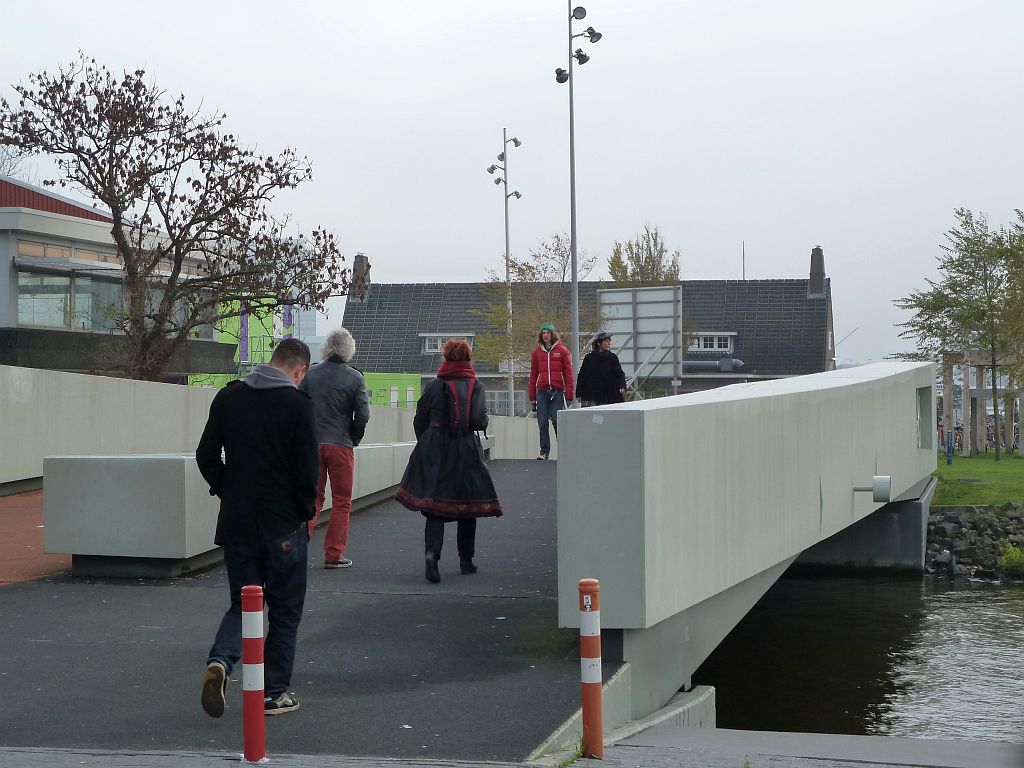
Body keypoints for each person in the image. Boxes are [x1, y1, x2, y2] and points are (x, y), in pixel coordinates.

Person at [196, 338, 319, 718]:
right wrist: (303, 512)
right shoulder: (299, 406)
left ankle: (220, 662)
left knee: (243, 603)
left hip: (237, 522)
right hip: (283, 524)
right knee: (284, 610)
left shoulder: (229, 398)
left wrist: (227, 489)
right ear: (300, 370)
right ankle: (273, 693)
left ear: (272, 360)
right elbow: (308, 471)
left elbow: (205, 454)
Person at [395, 339, 503, 583]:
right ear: (468, 359)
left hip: (436, 446)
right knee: (468, 504)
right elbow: (478, 420)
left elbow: (419, 418)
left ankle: (432, 554)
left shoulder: (434, 385)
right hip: (465, 448)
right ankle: (466, 561)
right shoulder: (476, 386)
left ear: (446, 359)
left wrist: (426, 442)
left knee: (435, 505)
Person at [299, 327, 370, 569]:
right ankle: (334, 554)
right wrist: (353, 436)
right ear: (349, 349)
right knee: (341, 501)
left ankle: (298, 545)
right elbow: (363, 414)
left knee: (312, 498)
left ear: (326, 347)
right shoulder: (355, 377)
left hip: (312, 445)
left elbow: (299, 408)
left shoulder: (309, 375)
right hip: (341, 445)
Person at [528, 322, 574, 460]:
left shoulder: (563, 351)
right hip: (542, 392)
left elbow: (568, 373)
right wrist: (532, 397)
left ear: (553, 334)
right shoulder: (536, 353)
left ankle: (563, 451)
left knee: (556, 420)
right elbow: (533, 375)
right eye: (543, 333)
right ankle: (544, 451)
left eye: (548, 332)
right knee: (542, 422)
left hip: (557, 391)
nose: (546, 335)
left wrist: (570, 392)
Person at [576, 331, 626, 407]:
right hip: (591, 395)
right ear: (599, 343)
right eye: (606, 341)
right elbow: (582, 375)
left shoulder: (612, 357)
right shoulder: (589, 358)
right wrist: (579, 393)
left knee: (607, 413)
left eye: (609, 341)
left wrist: (622, 386)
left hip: (608, 395)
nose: (609, 343)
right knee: (590, 413)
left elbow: (619, 374)